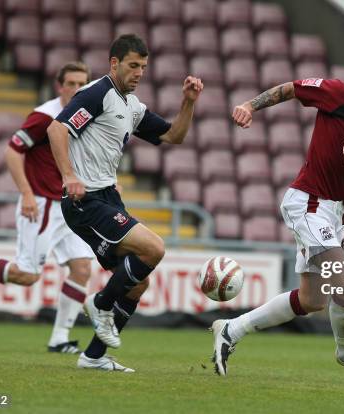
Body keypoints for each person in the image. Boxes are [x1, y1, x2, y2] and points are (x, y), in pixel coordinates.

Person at [211, 57, 344, 379]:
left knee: (313, 300)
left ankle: (231, 329)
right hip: (308, 202)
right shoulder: (341, 95)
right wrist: (250, 106)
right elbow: (291, 89)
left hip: (335, 214)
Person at [47, 34, 203, 372]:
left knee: (138, 282)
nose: (139, 73)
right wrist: (69, 175)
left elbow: (173, 135)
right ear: (114, 63)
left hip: (108, 198)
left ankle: (93, 356)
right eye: (133, 65)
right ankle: (100, 304)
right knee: (154, 249)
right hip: (84, 199)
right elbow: (57, 130)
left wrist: (188, 101)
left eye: (144, 67)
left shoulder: (131, 106)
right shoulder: (96, 93)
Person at [0, 62, 95, 354]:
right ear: (59, 86)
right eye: (71, 84)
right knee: (27, 275)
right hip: (41, 204)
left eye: (82, 84)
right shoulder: (45, 116)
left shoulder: (84, 115)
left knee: (81, 269)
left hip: (70, 207)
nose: (77, 89)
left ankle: (60, 339)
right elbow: (13, 152)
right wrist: (26, 193)